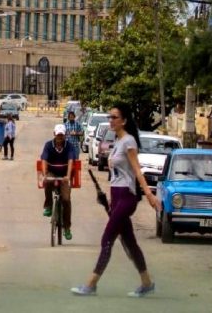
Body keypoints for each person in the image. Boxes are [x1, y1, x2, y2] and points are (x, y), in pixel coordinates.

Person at [72, 104, 157, 298]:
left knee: (107, 239)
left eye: (114, 117)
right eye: (109, 117)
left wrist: (149, 194)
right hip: (117, 196)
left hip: (127, 196)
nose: (110, 120)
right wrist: (106, 201)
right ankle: (147, 283)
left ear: (124, 120)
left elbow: (137, 170)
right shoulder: (117, 142)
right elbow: (116, 175)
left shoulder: (129, 142)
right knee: (130, 242)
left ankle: (91, 284)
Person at [39, 123, 77, 241]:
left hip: (64, 175)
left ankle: (67, 228)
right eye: (58, 135)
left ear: (65, 135)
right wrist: (45, 175)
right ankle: (49, 206)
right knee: (47, 182)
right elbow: (44, 160)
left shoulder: (69, 146)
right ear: (54, 134)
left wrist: (68, 176)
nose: (60, 137)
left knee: (66, 199)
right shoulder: (48, 145)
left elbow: (71, 161)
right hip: (52, 172)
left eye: (62, 135)